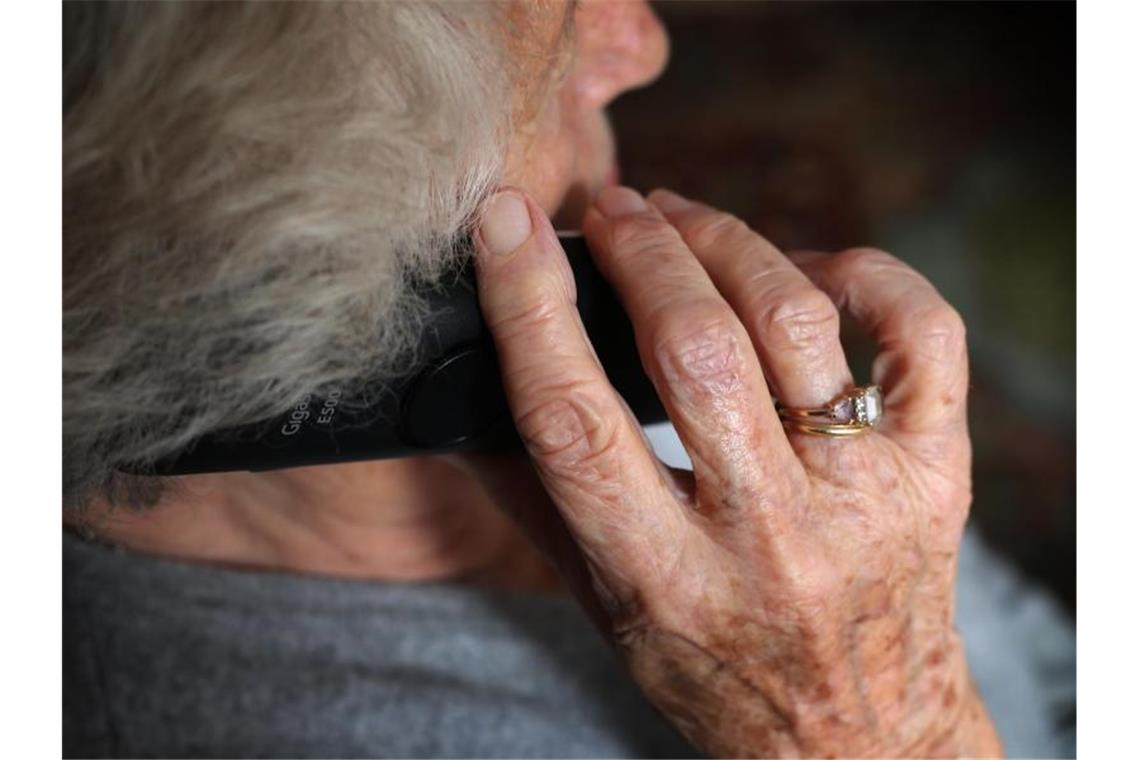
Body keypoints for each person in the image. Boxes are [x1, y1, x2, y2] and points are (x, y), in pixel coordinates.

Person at [63, 1, 1074, 757]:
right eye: (558, 55)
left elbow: (1026, 655)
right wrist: (883, 727)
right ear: (309, 260)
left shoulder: (631, 353)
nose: (643, 42)